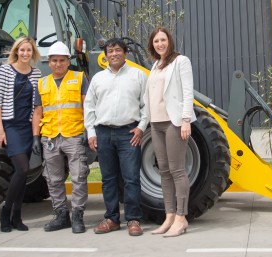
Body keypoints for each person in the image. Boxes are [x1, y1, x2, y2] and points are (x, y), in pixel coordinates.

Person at [84, 38, 148, 236]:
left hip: (128, 133)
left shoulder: (138, 75)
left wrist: (141, 128)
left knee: (131, 178)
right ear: (105, 55)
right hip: (103, 133)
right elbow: (89, 107)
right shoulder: (98, 78)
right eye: (110, 51)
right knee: (108, 179)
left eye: (117, 50)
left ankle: (133, 220)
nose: (113, 54)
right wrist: (91, 132)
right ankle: (111, 219)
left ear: (125, 53)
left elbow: (146, 104)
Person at [31, 41, 90, 233]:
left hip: (74, 134)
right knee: (53, 179)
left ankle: (78, 216)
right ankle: (61, 215)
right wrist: (35, 137)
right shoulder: (42, 82)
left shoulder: (79, 78)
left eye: (62, 60)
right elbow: (38, 112)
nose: (58, 64)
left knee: (79, 176)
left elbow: (87, 106)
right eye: (54, 60)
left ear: (68, 61)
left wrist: (87, 130)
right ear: (49, 62)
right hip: (50, 137)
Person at [145, 27, 196, 237]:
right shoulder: (155, 65)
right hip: (156, 124)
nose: (160, 44)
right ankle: (169, 216)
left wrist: (186, 120)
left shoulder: (180, 62)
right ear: (152, 44)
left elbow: (187, 91)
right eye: (156, 41)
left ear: (169, 41)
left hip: (174, 123)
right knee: (164, 171)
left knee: (177, 170)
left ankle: (182, 217)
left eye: (163, 40)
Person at [0, 37, 42, 232]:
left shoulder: (36, 73)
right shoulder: (5, 70)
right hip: (10, 126)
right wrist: (0, 129)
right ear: (16, 51)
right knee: (21, 169)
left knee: (24, 174)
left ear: (33, 53)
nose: (25, 53)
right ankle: (6, 213)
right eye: (22, 50)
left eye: (28, 50)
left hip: (27, 127)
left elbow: (37, 103)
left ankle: (17, 217)